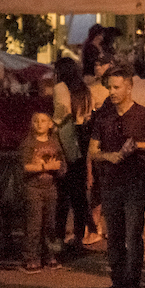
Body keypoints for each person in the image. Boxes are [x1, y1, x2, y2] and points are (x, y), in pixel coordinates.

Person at [88, 63, 145, 288]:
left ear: (129, 87)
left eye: (117, 87)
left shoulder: (144, 115)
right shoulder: (104, 116)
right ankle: (117, 283)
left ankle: (133, 285)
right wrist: (108, 155)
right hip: (111, 182)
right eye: (110, 87)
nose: (112, 91)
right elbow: (93, 150)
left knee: (133, 234)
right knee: (115, 236)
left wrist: (137, 146)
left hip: (136, 182)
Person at [51, 56, 94, 252]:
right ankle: (79, 236)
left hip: (67, 142)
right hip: (82, 142)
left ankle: (59, 237)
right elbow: (88, 114)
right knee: (79, 195)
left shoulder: (61, 87)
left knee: (62, 194)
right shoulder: (84, 89)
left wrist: (52, 125)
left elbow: (62, 112)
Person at [19, 109, 65, 271]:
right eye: (36, 121)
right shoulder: (29, 143)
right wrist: (45, 166)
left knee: (50, 223)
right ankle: (31, 257)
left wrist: (59, 168)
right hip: (33, 189)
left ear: (50, 124)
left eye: (43, 121)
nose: (39, 124)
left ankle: (50, 255)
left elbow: (61, 164)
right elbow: (25, 166)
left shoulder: (54, 142)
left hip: (50, 188)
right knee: (34, 224)